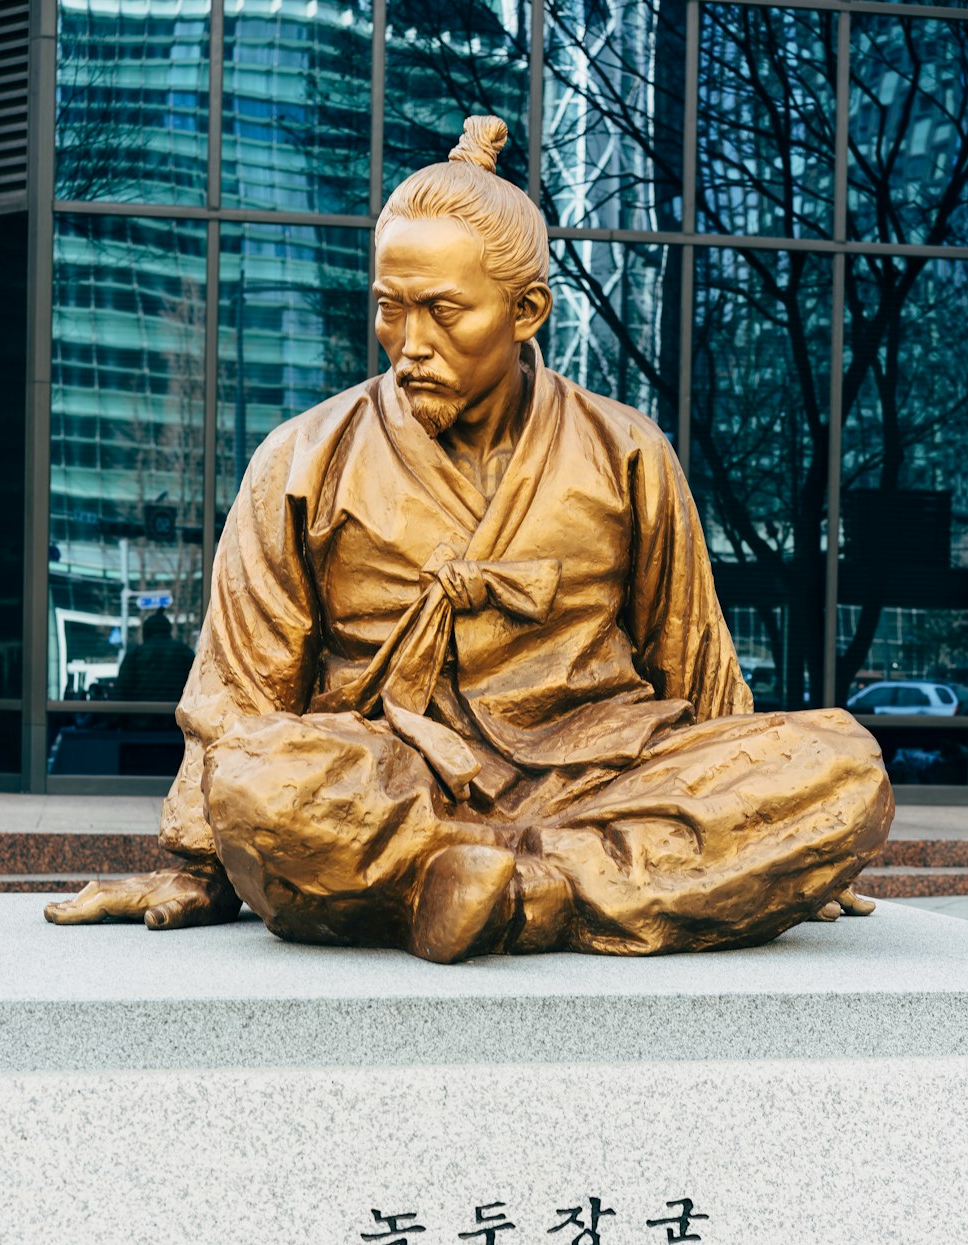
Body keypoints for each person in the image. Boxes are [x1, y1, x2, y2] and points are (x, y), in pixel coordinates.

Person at [45, 116, 892, 962]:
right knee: (264, 776)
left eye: (444, 312)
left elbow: (696, 662)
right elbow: (237, 686)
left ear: (527, 310)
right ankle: (581, 883)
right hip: (397, 781)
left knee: (840, 764)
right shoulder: (306, 456)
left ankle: (506, 890)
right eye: (390, 309)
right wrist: (200, 862)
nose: (411, 346)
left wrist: (763, 816)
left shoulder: (627, 450)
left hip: (601, 774)